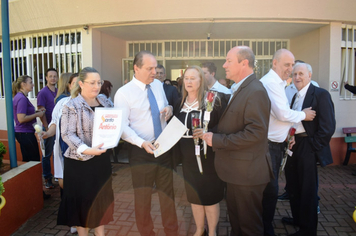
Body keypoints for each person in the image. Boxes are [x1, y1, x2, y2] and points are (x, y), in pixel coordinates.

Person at [201, 46, 272, 235]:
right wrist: (211, 133)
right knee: (238, 224)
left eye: (229, 61)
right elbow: (234, 124)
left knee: (249, 227)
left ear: (244, 63)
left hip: (247, 175)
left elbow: (255, 133)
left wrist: (218, 140)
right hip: (237, 173)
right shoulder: (240, 88)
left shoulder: (255, 90)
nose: (224, 65)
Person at [114, 51, 178, 236]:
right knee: (143, 198)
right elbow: (122, 127)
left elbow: (166, 105)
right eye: (150, 69)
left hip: (163, 148)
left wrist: (169, 109)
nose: (155, 72)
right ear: (136, 68)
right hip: (141, 152)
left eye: (156, 68)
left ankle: (171, 232)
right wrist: (141, 143)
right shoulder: (123, 93)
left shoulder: (157, 85)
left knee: (168, 195)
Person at [260, 49, 316, 236]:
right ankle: (265, 229)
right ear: (274, 63)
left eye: (293, 65)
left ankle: (265, 225)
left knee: (271, 188)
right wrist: (304, 115)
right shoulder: (271, 83)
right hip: (268, 146)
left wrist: (288, 135)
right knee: (270, 189)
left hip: (276, 145)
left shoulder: (281, 84)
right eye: (287, 65)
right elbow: (282, 114)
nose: (291, 69)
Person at [57, 67, 114, 236]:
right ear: (81, 84)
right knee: (81, 202)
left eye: (99, 82)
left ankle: (100, 234)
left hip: (101, 161)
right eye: (92, 83)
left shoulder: (105, 101)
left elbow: (114, 123)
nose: (97, 86)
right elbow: (67, 134)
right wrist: (87, 150)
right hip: (79, 163)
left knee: (100, 200)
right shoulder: (71, 105)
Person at [284, 62, 335, 236]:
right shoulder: (295, 97)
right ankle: (298, 219)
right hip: (294, 146)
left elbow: (328, 127)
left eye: (301, 74)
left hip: (308, 147)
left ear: (309, 75)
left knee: (307, 189)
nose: (297, 77)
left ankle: (308, 229)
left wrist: (313, 148)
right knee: (293, 185)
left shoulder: (320, 94)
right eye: (295, 74)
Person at [175, 66, 226, 236]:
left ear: (201, 81)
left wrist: (209, 133)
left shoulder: (212, 100)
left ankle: (212, 232)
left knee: (210, 198)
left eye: (193, 78)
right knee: (194, 197)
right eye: (186, 78)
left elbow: (224, 126)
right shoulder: (180, 102)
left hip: (208, 157)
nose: (188, 81)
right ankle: (199, 229)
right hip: (188, 159)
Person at [42, 72, 79, 234]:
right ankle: (73, 220)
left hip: (86, 154)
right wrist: (47, 134)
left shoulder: (92, 103)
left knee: (82, 189)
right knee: (67, 186)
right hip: (65, 152)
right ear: (69, 86)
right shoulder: (62, 103)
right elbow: (53, 124)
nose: (79, 86)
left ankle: (82, 218)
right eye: (75, 83)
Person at [12, 75, 45, 162]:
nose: (33, 85)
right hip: (25, 133)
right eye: (30, 82)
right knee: (33, 161)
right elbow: (21, 118)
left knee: (28, 160)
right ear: (23, 84)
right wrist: (37, 115)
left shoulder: (21, 97)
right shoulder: (21, 98)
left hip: (24, 132)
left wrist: (36, 112)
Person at [37, 68, 58, 189]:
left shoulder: (57, 91)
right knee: (47, 154)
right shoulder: (42, 93)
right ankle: (47, 178)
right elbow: (41, 111)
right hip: (48, 128)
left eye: (55, 76)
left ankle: (56, 176)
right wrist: (46, 127)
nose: (53, 78)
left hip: (57, 128)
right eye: (50, 76)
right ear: (46, 78)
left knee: (56, 153)